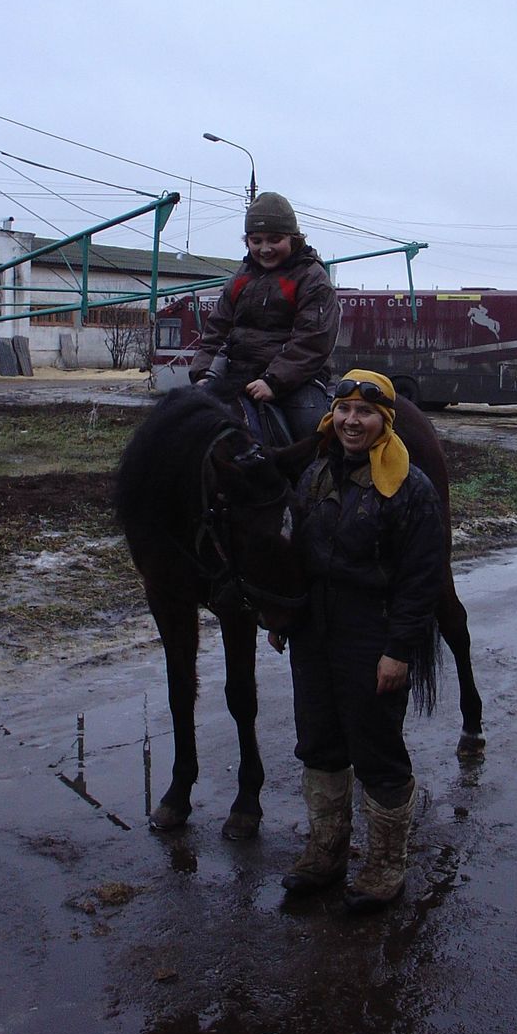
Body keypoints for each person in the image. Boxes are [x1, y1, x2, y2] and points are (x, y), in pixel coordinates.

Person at [272, 369, 446, 912]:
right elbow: (294, 552)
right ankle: (326, 852)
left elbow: (422, 578)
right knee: (318, 743)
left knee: (376, 751)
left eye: (365, 412)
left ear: (384, 420)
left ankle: (385, 866)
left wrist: (399, 650)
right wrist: (282, 615)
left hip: (373, 634)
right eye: (344, 410)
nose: (352, 421)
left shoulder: (410, 488)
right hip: (314, 632)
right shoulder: (315, 473)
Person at [188, 192, 340, 439]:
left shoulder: (312, 279)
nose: (265, 249)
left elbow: (313, 340)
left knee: (313, 429)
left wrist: (274, 381)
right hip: (238, 373)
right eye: (256, 240)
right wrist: (204, 373)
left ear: (293, 238)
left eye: (275, 239)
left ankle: (324, 463)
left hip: (297, 379)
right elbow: (217, 329)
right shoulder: (241, 278)